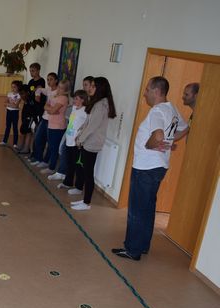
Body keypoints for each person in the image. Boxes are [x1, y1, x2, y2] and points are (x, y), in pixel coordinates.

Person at [112, 77, 187, 260]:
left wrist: (150, 145)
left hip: (145, 167)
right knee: (147, 208)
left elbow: (159, 135)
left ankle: (132, 250)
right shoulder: (173, 109)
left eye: (147, 89)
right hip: (159, 166)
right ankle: (142, 245)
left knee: (137, 210)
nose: (144, 93)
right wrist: (169, 143)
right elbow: (185, 129)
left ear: (156, 91)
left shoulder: (157, 111)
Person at [70, 77, 117, 211]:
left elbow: (93, 127)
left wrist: (80, 139)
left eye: (93, 86)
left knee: (88, 173)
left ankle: (86, 202)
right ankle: (85, 199)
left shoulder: (101, 105)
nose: (90, 88)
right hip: (89, 141)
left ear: (99, 88)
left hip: (92, 142)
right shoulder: (97, 103)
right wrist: (80, 132)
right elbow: (89, 122)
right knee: (86, 171)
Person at [56, 90, 88, 188]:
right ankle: (67, 182)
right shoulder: (74, 108)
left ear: (83, 100)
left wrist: (79, 138)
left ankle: (78, 186)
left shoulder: (85, 111)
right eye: (74, 98)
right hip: (69, 139)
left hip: (76, 142)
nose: (74, 100)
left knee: (77, 165)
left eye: (76, 98)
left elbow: (86, 126)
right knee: (69, 162)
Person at [41, 79, 69, 173]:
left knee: (54, 147)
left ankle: (51, 167)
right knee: (51, 145)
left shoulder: (63, 98)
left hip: (58, 126)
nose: (58, 89)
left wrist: (51, 110)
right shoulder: (56, 96)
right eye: (58, 87)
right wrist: (51, 109)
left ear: (65, 90)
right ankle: (48, 163)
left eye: (61, 88)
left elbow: (52, 111)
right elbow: (45, 106)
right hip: (51, 124)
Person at [30, 72, 58, 166]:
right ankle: (38, 158)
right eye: (48, 79)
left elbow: (65, 102)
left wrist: (49, 107)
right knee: (38, 138)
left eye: (51, 79)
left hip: (52, 120)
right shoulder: (49, 90)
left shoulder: (59, 92)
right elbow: (39, 89)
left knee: (49, 141)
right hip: (44, 118)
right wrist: (37, 95)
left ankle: (46, 161)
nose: (49, 81)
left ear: (56, 81)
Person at [15, 88, 36, 155]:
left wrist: (30, 118)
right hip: (25, 118)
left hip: (30, 118)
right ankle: (22, 145)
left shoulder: (31, 100)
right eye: (20, 94)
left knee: (28, 132)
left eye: (23, 94)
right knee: (23, 130)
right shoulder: (26, 100)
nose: (21, 96)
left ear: (27, 93)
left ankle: (26, 148)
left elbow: (33, 111)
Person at [0, 80, 22, 147]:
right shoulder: (9, 94)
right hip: (9, 112)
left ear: (18, 87)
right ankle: (4, 141)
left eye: (14, 87)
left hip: (15, 112)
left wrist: (8, 104)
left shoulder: (19, 95)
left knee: (15, 127)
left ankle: (15, 143)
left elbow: (16, 106)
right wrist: (10, 104)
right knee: (8, 126)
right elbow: (4, 103)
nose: (13, 88)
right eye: (12, 87)